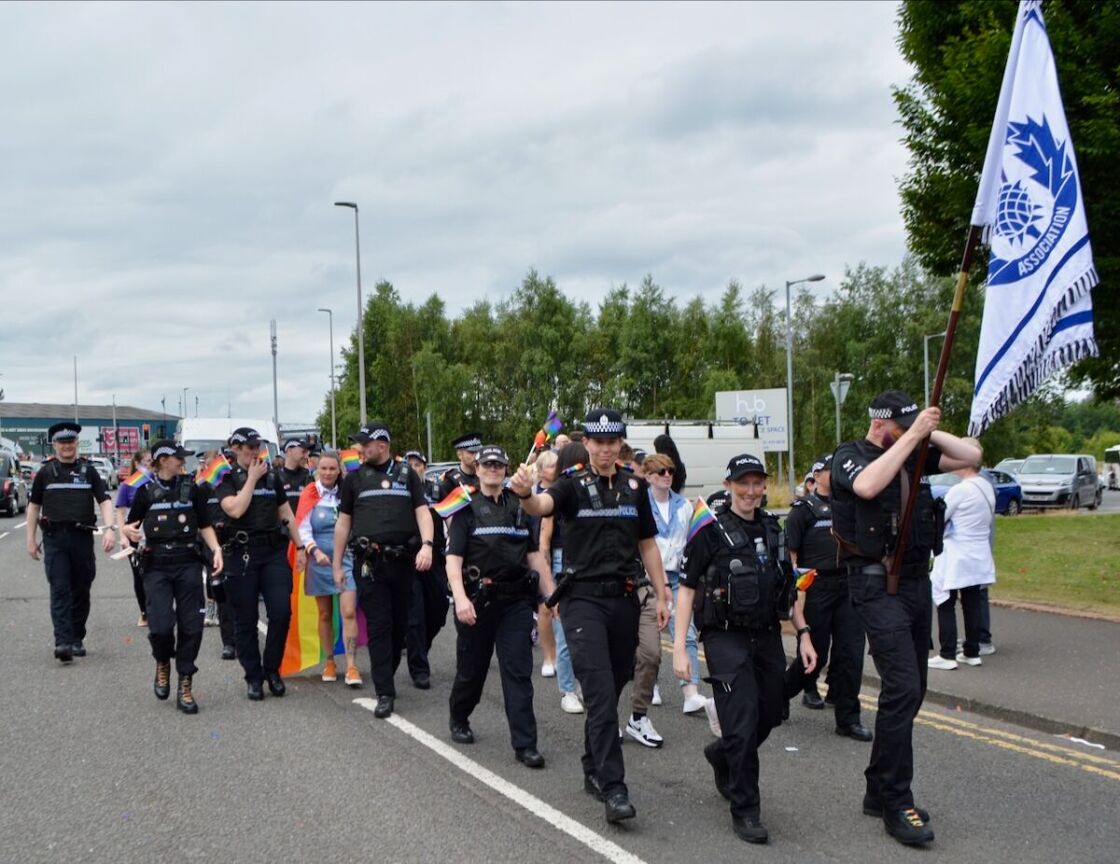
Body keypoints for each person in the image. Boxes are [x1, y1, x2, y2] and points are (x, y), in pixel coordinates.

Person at [831, 390, 981, 846]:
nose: (912, 433)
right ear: (880, 424)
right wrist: (912, 435)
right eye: (903, 425)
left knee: (913, 691)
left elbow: (971, 456)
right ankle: (898, 800)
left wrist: (928, 429)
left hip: (916, 583)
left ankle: (878, 787)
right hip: (875, 585)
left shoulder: (914, 452)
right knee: (902, 687)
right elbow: (867, 486)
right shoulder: (850, 456)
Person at [512, 409, 670, 825]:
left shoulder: (635, 487)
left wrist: (662, 592)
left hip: (624, 600)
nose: (604, 450)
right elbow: (541, 505)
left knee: (612, 688)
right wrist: (525, 494)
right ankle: (614, 788)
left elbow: (647, 544)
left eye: (611, 442)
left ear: (620, 444)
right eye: (597, 442)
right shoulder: (571, 484)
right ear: (587, 444)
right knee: (599, 693)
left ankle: (591, 764)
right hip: (582, 601)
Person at [673, 453, 816, 845]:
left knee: (769, 714)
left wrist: (803, 633)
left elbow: (789, 588)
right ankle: (746, 809)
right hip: (724, 637)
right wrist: (680, 648)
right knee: (740, 720)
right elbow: (686, 589)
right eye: (743, 483)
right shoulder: (709, 529)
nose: (751, 491)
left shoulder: (773, 528)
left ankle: (723, 754)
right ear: (729, 485)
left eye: (757, 483)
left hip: (766, 635)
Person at [447, 445, 552, 768]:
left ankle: (525, 744)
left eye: (499, 465)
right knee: (472, 671)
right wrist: (460, 598)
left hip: (515, 602)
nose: (493, 469)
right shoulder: (466, 507)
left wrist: (551, 596)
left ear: (506, 469)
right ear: (477, 469)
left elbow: (534, 556)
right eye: (487, 464)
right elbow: (453, 560)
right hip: (477, 602)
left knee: (518, 673)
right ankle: (459, 716)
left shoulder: (520, 506)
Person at [334, 421, 435, 719]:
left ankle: (385, 674)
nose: (361, 448)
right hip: (370, 563)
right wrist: (337, 564)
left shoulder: (407, 475)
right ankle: (384, 693)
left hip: (404, 562)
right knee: (379, 626)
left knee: (399, 625)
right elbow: (343, 523)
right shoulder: (354, 479)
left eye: (366, 444)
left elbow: (422, 513)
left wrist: (427, 545)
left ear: (382, 445)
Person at [122, 440, 224, 714]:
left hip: (188, 564)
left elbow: (205, 525)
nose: (183, 461)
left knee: (192, 627)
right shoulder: (145, 493)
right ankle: (162, 661)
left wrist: (216, 550)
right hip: (157, 566)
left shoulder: (193, 490)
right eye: (179, 457)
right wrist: (127, 532)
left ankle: (185, 683)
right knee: (161, 627)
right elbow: (131, 526)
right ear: (163, 460)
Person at [782, 454, 871, 739]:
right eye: (831, 470)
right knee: (814, 653)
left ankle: (848, 718)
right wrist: (792, 591)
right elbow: (791, 556)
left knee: (850, 654)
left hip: (849, 585)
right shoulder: (803, 511)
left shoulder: (850, 505)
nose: (836, 474)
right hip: (817, 587)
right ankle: (781, 694)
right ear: (817, 475)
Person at [216, 427, 297, 701]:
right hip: (241, 553)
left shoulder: (272, 477)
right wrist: (251, 479)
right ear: (236, 449)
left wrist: (300, 546)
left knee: (281, 612)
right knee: (246, 619)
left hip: (272, 551)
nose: (255, 452)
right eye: (249, 447)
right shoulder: (226, 479)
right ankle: (253, 676)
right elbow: (235, 509)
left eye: (257, 447)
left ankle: (271, 668)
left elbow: (285, 512)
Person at [25, 422, 117, 662]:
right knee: (60, 589)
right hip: (55, 539)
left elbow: (105, 501)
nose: (67, 446)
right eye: (62, 442)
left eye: (71, 442)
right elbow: (33, 507)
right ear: (54, 445)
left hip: (82, 538)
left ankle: (77, 636)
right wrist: (30, 540)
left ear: (77, 443)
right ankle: (63, 642)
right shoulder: (45, 473)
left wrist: (109, 529)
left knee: (81, 589)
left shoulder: (89, 471)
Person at [644, 452, 706, 714]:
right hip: (648, 578)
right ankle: (650, 685)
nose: (667, 475)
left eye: (670, 471)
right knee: (650, 637)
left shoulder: (684, 505)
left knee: (686, 634)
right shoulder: (641, 505)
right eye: (661, 472)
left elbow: (692, 541)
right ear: (648, 476)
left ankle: (691, 692)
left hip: (678, 577)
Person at [295, 451, 361, 687]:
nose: (328, 473)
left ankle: (352, 665)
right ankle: (330, 661)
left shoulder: (347, 492)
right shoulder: (310, 493)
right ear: (316, 469)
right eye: (323, 468)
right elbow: (302, 528)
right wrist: (314, 551)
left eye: (332, 468)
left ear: (339, 470)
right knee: (324, 614)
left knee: (348, 611)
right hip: (319, 562)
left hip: (346, 560)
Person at [929, 439, 996, 670]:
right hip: (979, 552)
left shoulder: (960, 490)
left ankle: (947, 654)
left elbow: (940, 517)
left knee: (945, 600)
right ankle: (972, 651)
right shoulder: (986, 486)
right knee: (972, 601)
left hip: (956, 553)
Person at [543, 442, 587, 714]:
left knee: (585, 633)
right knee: (564, 630)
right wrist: (549, 582)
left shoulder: (592, 490)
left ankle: (579, 684)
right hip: (563, 561)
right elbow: (544, 539)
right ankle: (567, 689)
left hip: (587, 562)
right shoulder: (559, 493)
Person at [405, 448, 448, 689]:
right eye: (410, 464)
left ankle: (419, 646)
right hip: (410, 558)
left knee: (439, 610)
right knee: (415, 616)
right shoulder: (401, 491)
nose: (414, 468)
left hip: (436, 557)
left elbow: (452, 516)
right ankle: (419, 668)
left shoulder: (437, 489)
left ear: (425, 467)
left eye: (418, 464)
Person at [198, 450, 237, 660]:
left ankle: (241, 637)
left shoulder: (234, 484)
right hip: (213, 546)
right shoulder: (203, 488)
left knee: (240, 593)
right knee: (220, 591)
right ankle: (228, 642)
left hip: (236, 543)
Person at [115, 449, 152, 627]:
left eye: (152, 461)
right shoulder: (128, 485)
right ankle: (144, 612)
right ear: (137, 464)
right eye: (147, 461)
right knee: (139, 575)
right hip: (135, 535)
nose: (150, 464)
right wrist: (123, 536)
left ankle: (157, 609)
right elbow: (121, 513)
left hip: (154, 535)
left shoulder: (156, 482)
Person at [531, 450, 559, 678]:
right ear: (540, 471)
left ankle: (563, 654)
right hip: (536, 555)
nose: (555, 469)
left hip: (561, 553)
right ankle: (549, 656)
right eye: (550, 466)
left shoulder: (562, 491)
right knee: (545, 607)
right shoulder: (531, 495)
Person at [435, 432, 483, 501]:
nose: (476, 456)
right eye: (471, 452)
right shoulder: (449, 482)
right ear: (459, 455)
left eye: (478, 452)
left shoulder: (485, 477)